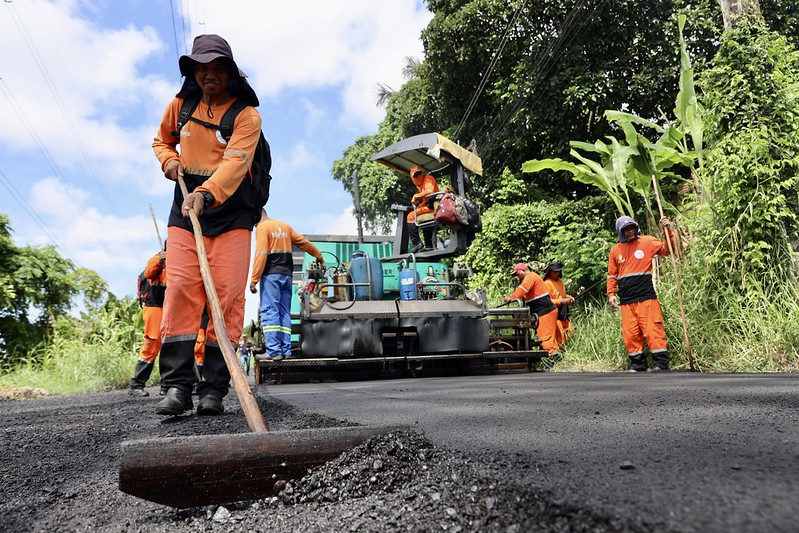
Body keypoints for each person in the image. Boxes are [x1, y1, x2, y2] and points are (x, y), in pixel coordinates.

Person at [152, 34, 262, 416]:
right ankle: (177, 387)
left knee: (228, 295)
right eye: (202, 68)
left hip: (231, 210)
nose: (209, 74)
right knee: (181, 287)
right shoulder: (180, 107)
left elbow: (235, 165)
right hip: (184, 209)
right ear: (193, 71)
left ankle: (214, 388)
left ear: (230, 72)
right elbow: (160, 141)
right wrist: (168, 161)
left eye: (217, 67)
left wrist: (207, 194)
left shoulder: (247, 116)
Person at [249, 210, 324, 360]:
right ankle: (286, 350)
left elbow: (261, 254)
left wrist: (254, 279)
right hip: (287, 275)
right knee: (284, 312)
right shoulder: (285, 227)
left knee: (270, 310)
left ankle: (274, 351)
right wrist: (318, 255)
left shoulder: (263, 228)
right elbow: (303, 242)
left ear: (257, 215)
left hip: (271, 275)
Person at [607, 215, 673, 372]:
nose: (630, 232)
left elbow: (667, 249)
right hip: (626, 300)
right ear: (620, 232)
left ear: (636, 228)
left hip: (646, 297)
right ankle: (638, 365)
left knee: (653, 330)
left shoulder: (647, 241)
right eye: (626, 230)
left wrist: (667, 230)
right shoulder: (615, 250)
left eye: (632, 228)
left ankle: (661, 365)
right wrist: (611, 294)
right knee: (630, 334)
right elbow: (611, 275)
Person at [129, 250, 167, 397]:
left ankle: (166, 386)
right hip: (154, 308)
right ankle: (137, 385)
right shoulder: (157, 261)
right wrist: (161, 259)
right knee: (152, 344)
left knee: (169, 347)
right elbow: (149, 273)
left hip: (170, 309)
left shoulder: (179, 263)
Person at [503, 263, 560, 358]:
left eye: (517, 274)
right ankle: (550, 358)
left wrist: (512, 298)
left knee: (545, 339)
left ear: (523, 270)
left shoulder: (530, 277)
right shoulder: (531, 277)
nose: (517, 276)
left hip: (545, 311)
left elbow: (522, 289)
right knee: (546, 338)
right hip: (542, 312)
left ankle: (553, 358)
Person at [406, 165, 439, 253]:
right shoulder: (420, 186)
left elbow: (430, 191)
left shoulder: (428, 178)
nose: (418, 176)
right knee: (423, 220)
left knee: (411, 216)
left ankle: (417, 243)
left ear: (422, 173)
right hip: (428, 205)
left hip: (433, 206)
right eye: (415, 175)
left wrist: (416, 196)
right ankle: (429, 246)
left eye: (419, 174)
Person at [543, 261, 575, 347]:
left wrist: (569, 297)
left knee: (570, 334)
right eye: (555, 272)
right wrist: (561, 301)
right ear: (549, 272)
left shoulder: (560, 282)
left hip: (564, 314)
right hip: (555, 315)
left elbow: (562, 295)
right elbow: (546, 301)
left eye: (558, 272)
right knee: (560, 337)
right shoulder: (546, 283)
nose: (557, 274)